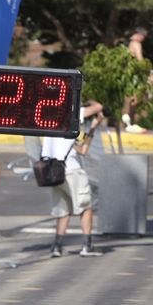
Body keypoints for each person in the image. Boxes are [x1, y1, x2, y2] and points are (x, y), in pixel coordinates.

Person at [41, 100, 104, 258]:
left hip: (53, 171)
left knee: (63, 211)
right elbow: (98, 107)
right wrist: (91, 102)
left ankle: (56, 247)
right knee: (86, 206)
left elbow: (82, 147)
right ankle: (87, 246)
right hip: (72, 170)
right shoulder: (71, 113)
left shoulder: (48, 119)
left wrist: (94, 127)